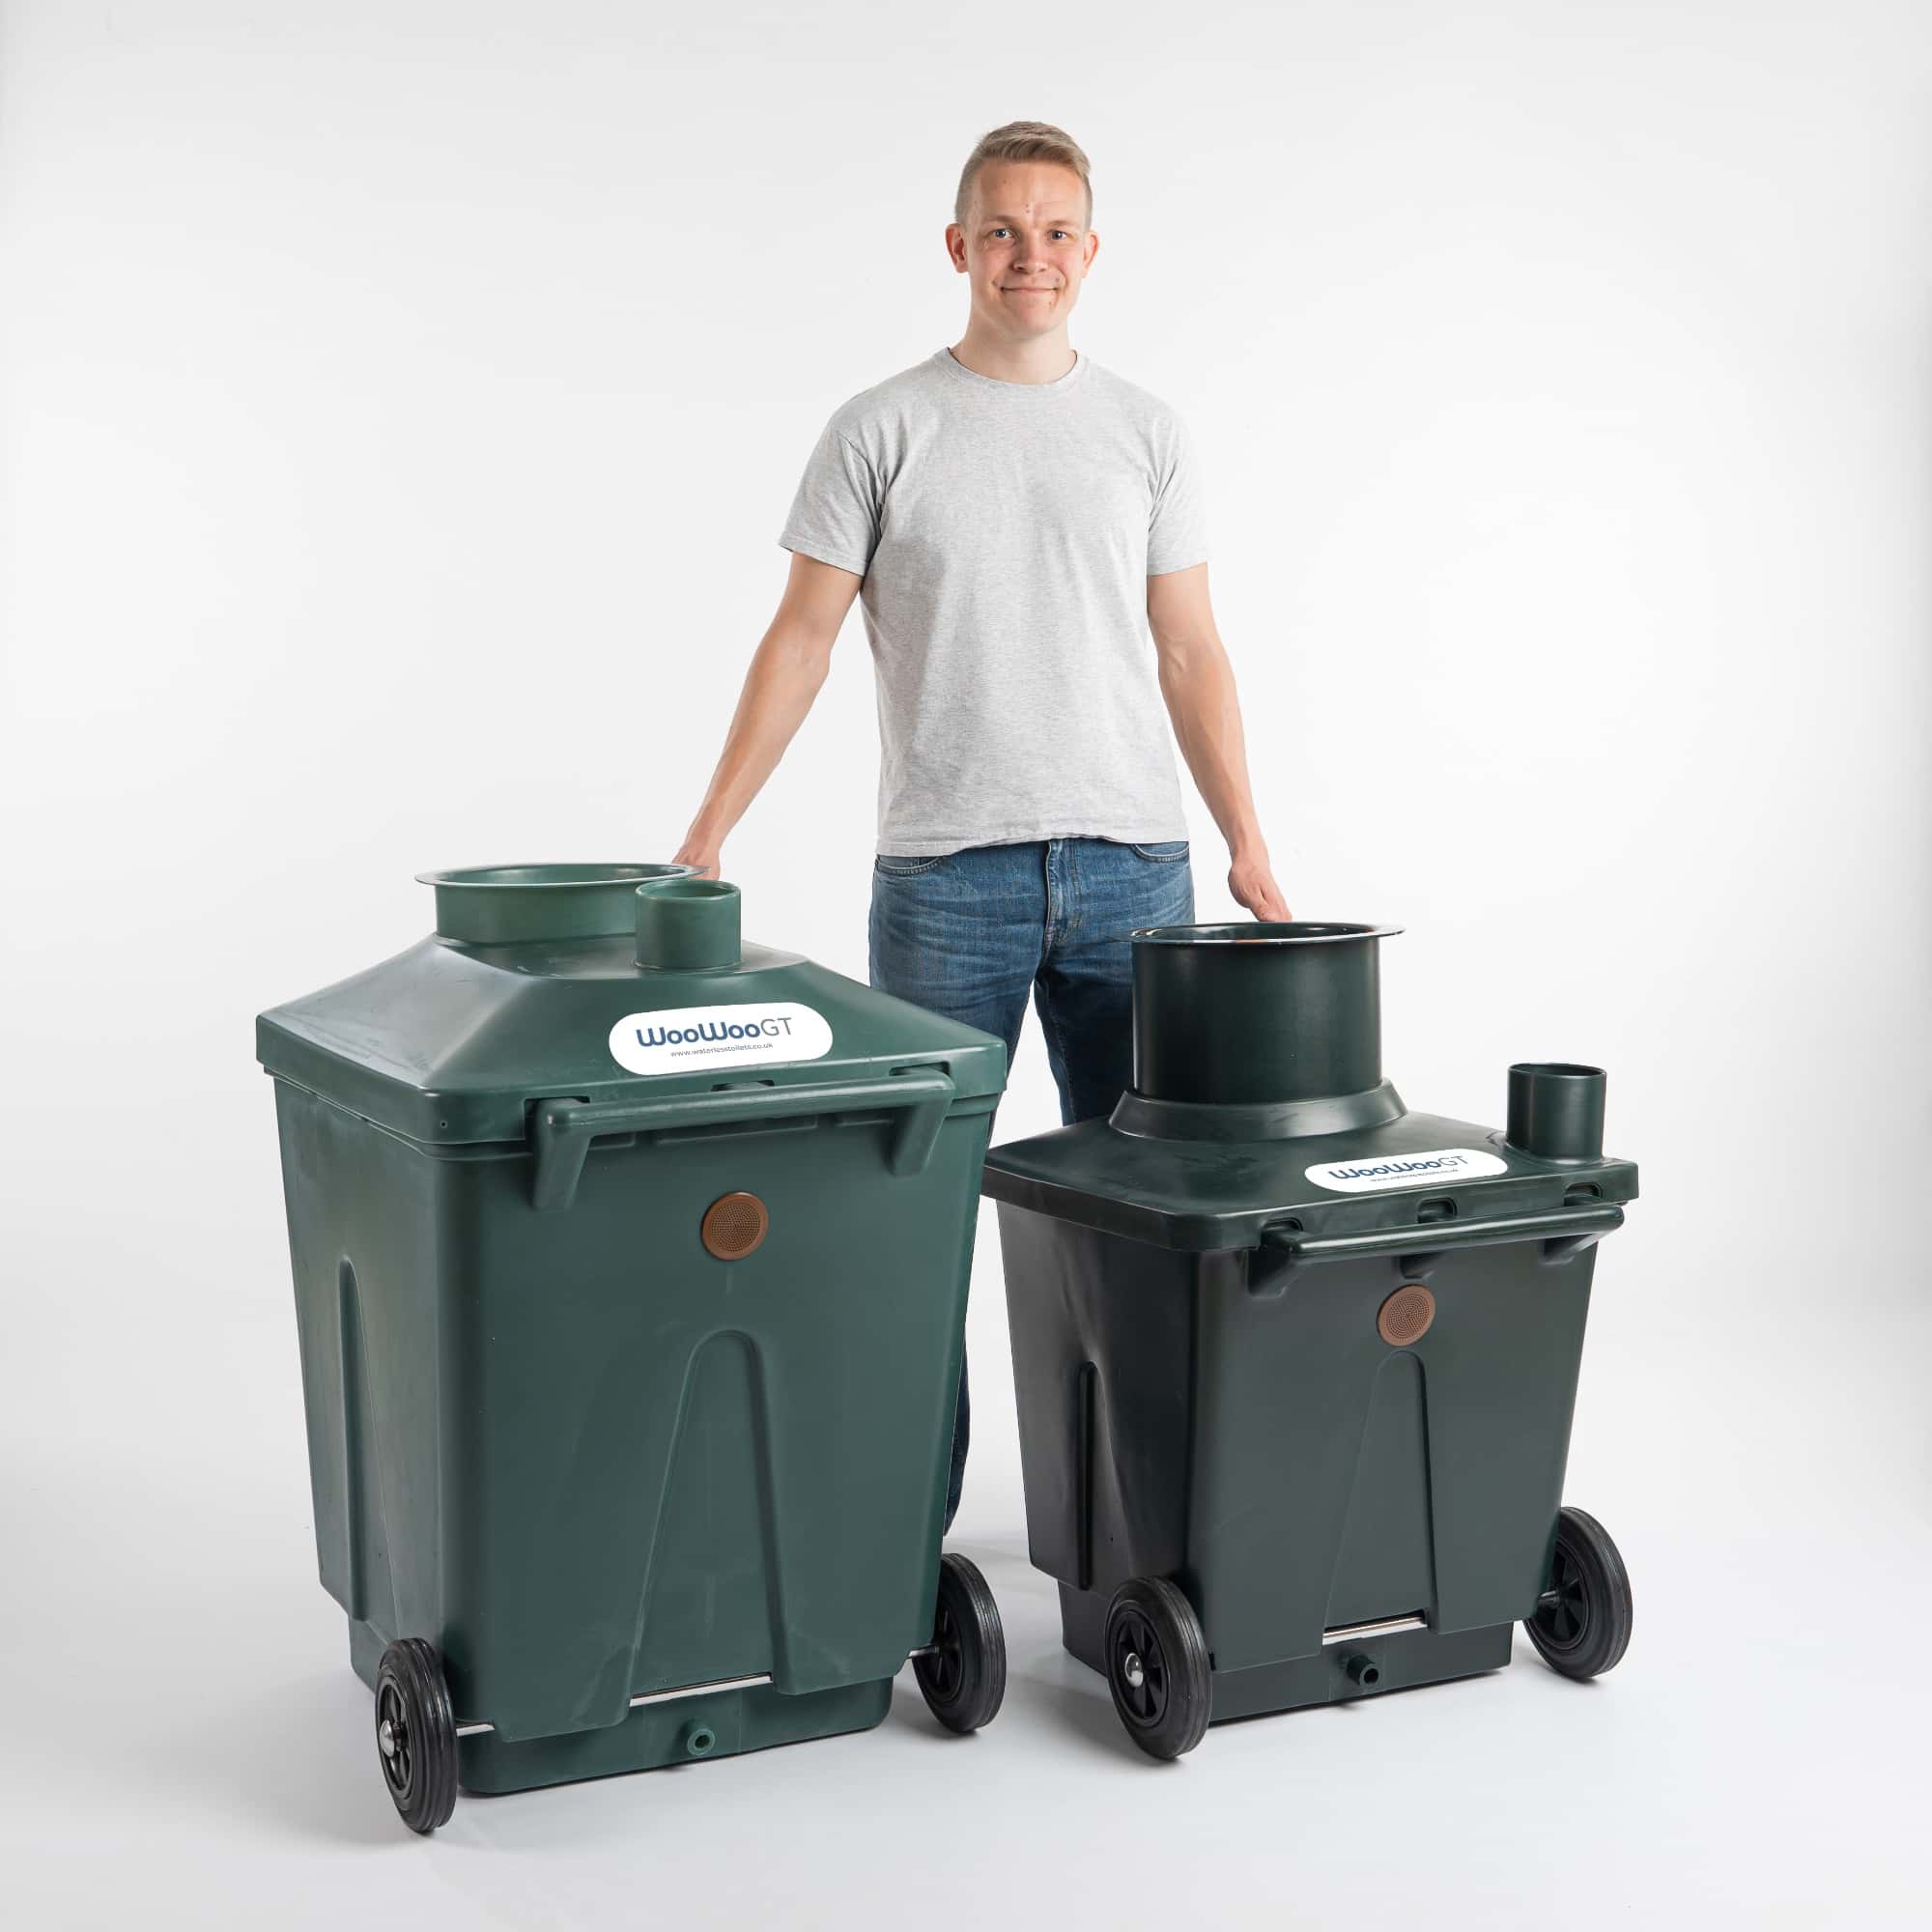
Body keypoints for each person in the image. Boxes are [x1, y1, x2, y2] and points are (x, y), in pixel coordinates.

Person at [675, 120, 1289, 1529]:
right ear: (958, 248)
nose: (1032, 257)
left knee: (1149, 1219)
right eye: (1004, 231)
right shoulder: (881, 427)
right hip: (948, 878)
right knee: (914, 1224)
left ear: (1093, 250)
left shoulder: (1147, 431)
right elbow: (802, 640)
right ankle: (903, 1543)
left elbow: (1190, 650)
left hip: (1137, 871)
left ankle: (1145, 1527)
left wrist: (1247, 839)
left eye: (1058, 230)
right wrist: (711, 827)